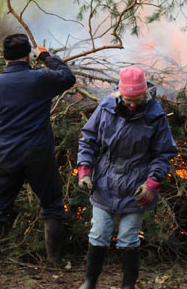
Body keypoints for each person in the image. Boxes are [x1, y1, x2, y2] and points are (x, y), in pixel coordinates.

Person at [76, 66, 178, 289]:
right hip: (105, 181)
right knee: (99, 233)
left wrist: (151, 184)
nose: (132, 104)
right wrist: (84, 170)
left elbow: (163, 154)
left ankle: (128, 286)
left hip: (137, 186)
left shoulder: (155, 116)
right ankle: (89, 282)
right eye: (128, 99)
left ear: (145, 94)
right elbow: (88, 140)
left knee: (128, 237)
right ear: (119, 94)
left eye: (137, 99)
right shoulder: (105, 109)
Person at [0, 33, 75, 273]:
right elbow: (67, 77)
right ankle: (54, 260)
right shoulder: (40, 78)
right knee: (52, 202)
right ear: (27, 56)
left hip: (4, 153)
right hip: (38, 152)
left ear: (5, 58)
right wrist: (46, 56)